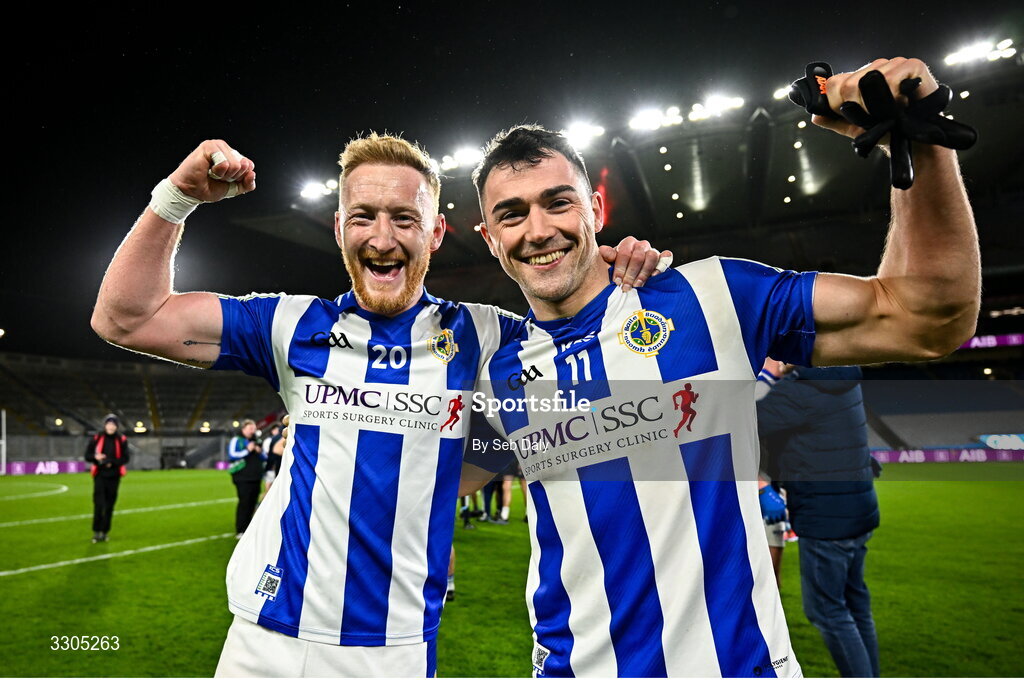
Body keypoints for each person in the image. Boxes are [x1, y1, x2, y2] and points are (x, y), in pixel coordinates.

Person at [459, 56, 979, 677]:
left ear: (595, 206)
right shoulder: (500, 372)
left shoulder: (713, 299)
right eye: (512, 214)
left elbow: (930, 317)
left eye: (558, 203)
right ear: (489, 236)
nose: (539, 229)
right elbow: (414, 492)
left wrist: (916, 139)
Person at [90, 134, 665, 677]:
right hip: (266, 639)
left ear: (436, 232)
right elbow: (123, 317)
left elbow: (599, 347)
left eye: (404, 218)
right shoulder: (290, 326)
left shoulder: (487, 336)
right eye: (363, 216)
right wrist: (177, 197)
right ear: (339, 227)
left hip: (397, 649)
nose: (383, 239)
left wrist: (625, 271)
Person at [756, 365, 881, 677]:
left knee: (826, 611)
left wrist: (768, 376)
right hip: (859, 511)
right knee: (856, 605)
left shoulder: (799, 390)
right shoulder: (844, 380)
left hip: (826, 518)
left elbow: (744, 419)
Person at [84, 414, 130, 543]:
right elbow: (87, 455)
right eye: (109, 424)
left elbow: (126, 458)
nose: (111, 427)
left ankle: (105, 532)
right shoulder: (97, 437)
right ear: (105, 425)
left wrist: (112, 462)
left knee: (110, 505)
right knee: (99, 504)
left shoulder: (121, 439)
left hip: (114, 476)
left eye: (113, 424)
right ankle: (96, 531)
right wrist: (96, 458)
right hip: (100, 475)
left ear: (116, 426)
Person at [228, 419, 265, 537]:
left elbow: (264, 457)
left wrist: (259, 451)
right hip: (242, 477)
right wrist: (247, 450)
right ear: (244, 429)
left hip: (256, 476)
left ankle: (249, 528)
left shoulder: (257, 440)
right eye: (250, 429)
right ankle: (240, 529)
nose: (253, 431)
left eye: (254, 429)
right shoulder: (237, 440)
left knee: (253, 503)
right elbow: (232, 455)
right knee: (244, 502)